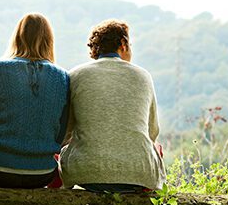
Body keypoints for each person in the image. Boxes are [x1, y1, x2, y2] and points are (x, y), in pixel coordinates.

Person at [60, 19, 165, 192]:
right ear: (123, 44)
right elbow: (152, 132)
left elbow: (66, 132)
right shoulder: (143, 76)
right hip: (139, 174)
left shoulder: (75, 75)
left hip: (85, 174)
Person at [0, 13, 69, 188]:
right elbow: (60, 131)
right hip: (42, 172)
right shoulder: (62, 77)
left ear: (17, 37)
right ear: (49, 40)